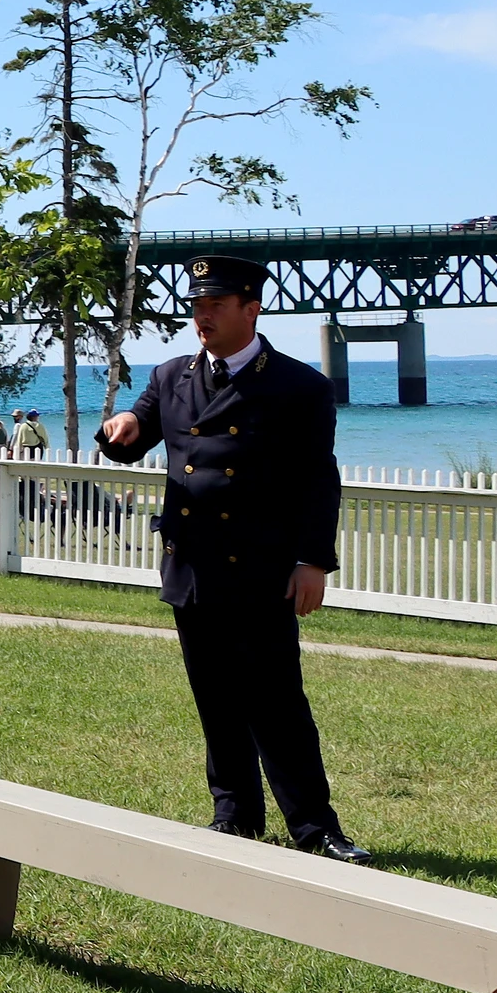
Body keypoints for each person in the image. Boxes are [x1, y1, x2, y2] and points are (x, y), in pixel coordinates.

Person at [99, 254, 367, 862]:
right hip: (192, 565)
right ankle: (236, 815)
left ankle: (315, 828)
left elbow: (317, 481)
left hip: (260, 569)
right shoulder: (172, 375)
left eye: (216, 305)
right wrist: (119, 426)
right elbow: (137, 432)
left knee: (276, 702)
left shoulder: (299, 386)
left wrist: (313, 561)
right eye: (197, 306)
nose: (202, 316)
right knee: (215, 696)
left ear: (252, 308)